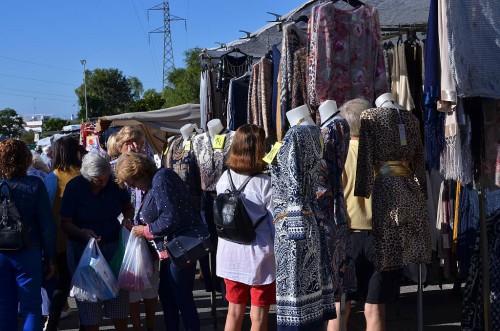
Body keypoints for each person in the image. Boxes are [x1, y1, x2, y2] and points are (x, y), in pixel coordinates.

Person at [114, 152, 201, 331]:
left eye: (132, 182)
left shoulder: (161, 180)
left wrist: (144, 230)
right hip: (173, 249)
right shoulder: (159, 179)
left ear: (139, 173)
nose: (134, 188)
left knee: (181, 298)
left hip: (180, 248)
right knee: (169, 297)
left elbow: (170, 218)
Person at [60, 151, 134, 331]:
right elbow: (65, 222)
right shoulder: (74, 187)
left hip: (113, 248)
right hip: (82, 252)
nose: (103, 183)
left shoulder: (115, 184)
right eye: (97, 180)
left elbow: (127, 208)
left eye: (106, 178)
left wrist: (127, 219)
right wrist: (82, 232)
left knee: (119, 304)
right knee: (89, 307)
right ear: (87, 176)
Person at [215, 124, 276, 331]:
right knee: (258, 316)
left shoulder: (224, 178)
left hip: (229, 254)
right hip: (259, 257)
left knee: (233, 312)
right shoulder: (265, 183)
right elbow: (276, 221)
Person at [341, 98, 391, 331]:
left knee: (341, 306)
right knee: (373, 308)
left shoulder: (338, 155)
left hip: (347, 236)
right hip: (378, 236)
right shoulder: (382, 156)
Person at [0, 139, 57, 331]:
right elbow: (47, 225)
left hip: (1, 253)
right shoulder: (35, 184)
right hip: (28, 250)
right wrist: (50, 257)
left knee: (5, 307)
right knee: (31, 308)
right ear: (26, 160)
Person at [112, 126, 159, 331]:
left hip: (149, 228)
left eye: (138, 143)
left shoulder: (149, 165)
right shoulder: (113, 168)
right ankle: (137, 325)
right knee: (131, 279)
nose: (134, 147)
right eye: (129, 143)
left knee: (152, 278)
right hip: (126, 229)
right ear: (120, 145)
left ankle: (150, 323)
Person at [43, 136, 83, 331]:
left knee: (62, 285)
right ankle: (87, 323)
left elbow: (45, 212)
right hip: (85, 238)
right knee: (86, 286)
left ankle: (52, 323)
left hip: (59, 240)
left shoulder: (51, 178)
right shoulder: (85, 175)